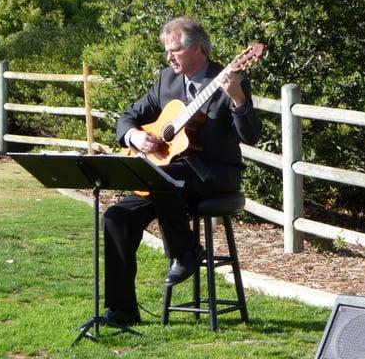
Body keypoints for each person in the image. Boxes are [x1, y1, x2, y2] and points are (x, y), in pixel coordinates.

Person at [102, 16, 262, 326]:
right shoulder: (166, 80)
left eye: (174, 50)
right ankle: (123, 310)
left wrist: (238, 98)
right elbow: (128, 117)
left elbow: (250, 135)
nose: (168, 57)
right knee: (116, 217)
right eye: (167, 51)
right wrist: (135, 136)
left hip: (213, 174)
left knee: (164, 180)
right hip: (169, 178)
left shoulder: (229, 79)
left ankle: (186, 252)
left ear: (198, 49)